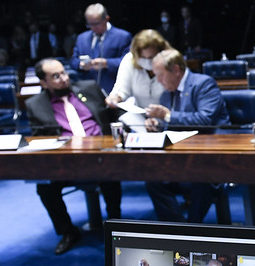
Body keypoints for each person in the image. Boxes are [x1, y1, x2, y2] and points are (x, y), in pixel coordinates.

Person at [25, 58, 121, 254]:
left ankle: (116, 225)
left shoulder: (89, 88)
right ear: (44, 82)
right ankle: (68, 231)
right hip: (65, 162)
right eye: (56, 76)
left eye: (64, 73)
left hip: (101, 155)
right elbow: (39, 138)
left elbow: (113, 115)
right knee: (45, 187)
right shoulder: (35, 104)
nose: (64, 78)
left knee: (111, 175)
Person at [143, 48, 230, 223]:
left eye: (161, 75)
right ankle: (177, 227)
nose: (158, 81)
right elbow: (170, 125)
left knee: (200, 176)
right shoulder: (167, 94)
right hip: (181, 158)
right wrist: (156, 124)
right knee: (152, 178)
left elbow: (205, 120)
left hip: (210, 156)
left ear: (176, 70)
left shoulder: (203, 84)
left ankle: (192, 227)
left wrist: (167, 116)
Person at [105, 29, 170, 130]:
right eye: (143, 57)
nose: (147, 61)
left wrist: (160, 119)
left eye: (151, 57)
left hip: (167, 119)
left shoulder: (170, 63)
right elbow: (122, 90)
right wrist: (115, 98)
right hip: (140, 119)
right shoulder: (129, 60)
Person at [70, 3, 132, 94]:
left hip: (113, 89)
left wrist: (106, 63)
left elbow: (129, 62)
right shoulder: (82, 38)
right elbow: (73, 60)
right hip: (87, 91)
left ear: (106, 19)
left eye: (96, 24)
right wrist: (81, 65)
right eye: (90, 24)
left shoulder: (122, 36)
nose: (93, 28)